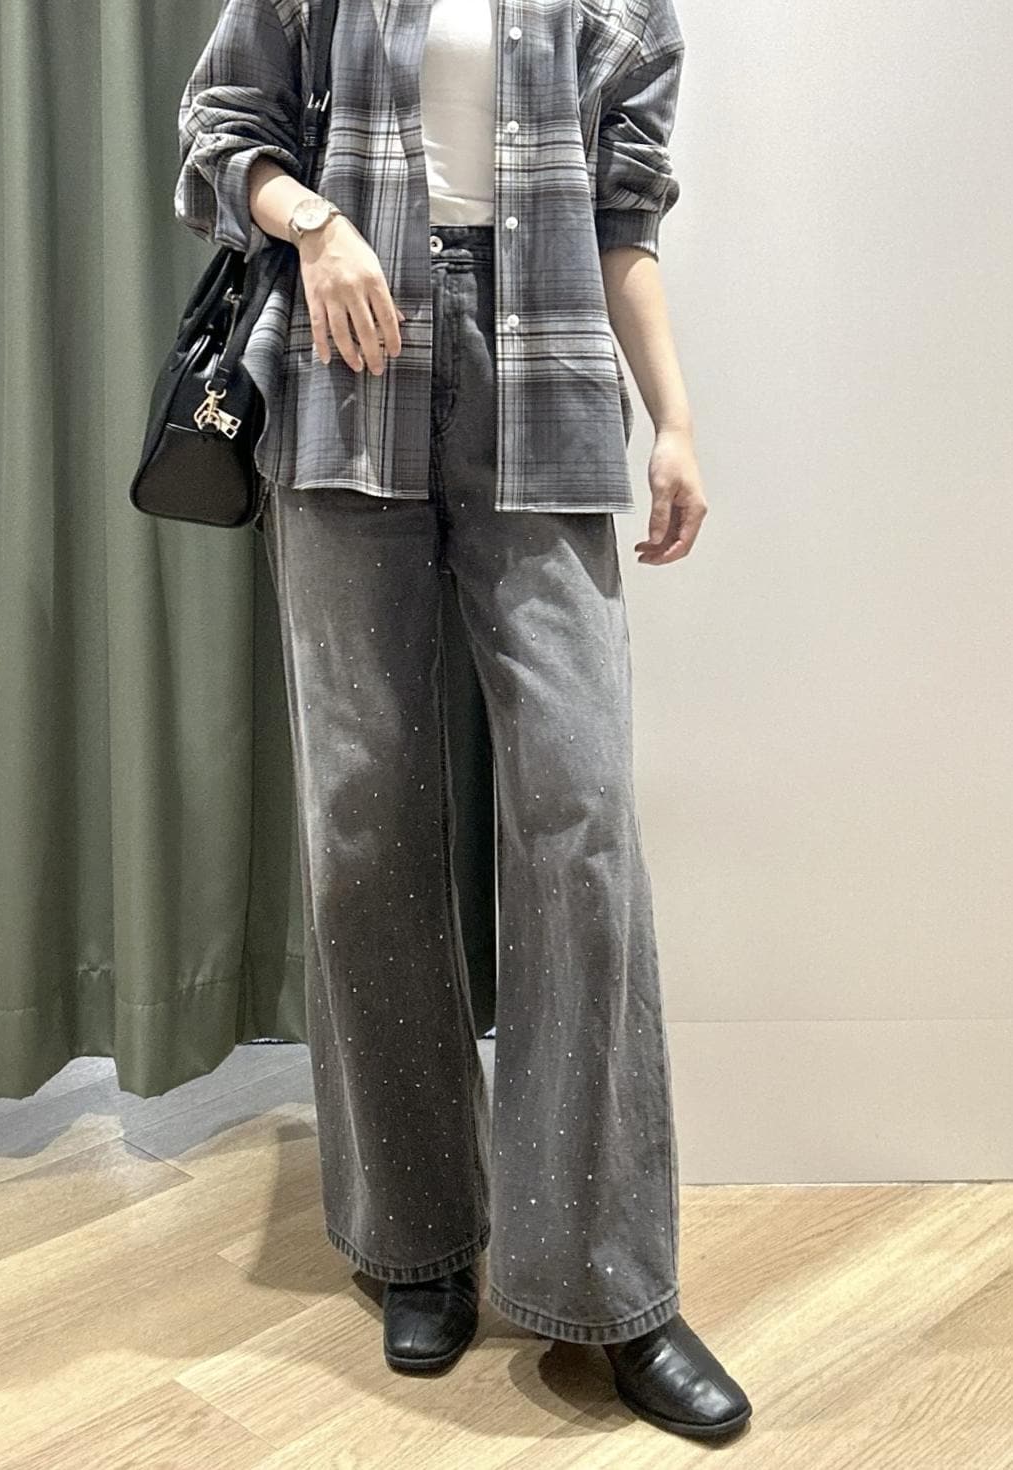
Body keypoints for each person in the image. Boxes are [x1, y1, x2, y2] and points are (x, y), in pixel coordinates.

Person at [175, 0, 751, 1443]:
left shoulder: (623, 7)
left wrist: (675, 421)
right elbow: (219, 132)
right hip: (344, 376)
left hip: (544, 388)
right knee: (363, 819)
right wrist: (315, 225)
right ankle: (416, 1235)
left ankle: (609, 1282)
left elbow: (626, 220)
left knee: (580, 819)